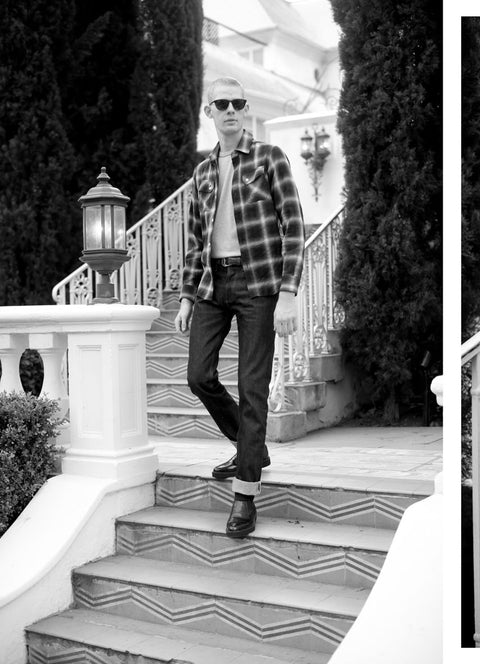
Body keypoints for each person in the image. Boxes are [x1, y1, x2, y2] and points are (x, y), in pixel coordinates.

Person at [174, 76, 305, 539]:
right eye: (222, 104)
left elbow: (293, 224)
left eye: (238, 103)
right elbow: (194, 242)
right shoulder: (202, 173)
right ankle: (251, 445)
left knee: (253, 387)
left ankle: (246, 493)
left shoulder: (269, 157)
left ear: (245, 109)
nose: (231, 110)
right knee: (198, 376)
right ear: (210, 112)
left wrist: (288, 292)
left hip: (260, 283)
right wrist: (188, 296)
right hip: (214, 283)